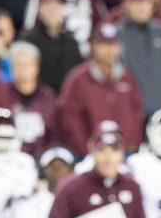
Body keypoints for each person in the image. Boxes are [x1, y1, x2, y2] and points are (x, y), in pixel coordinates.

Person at [57, 21, 146, 154]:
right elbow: (70, 118)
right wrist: (84, 149)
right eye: (103, 45)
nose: (109, 50)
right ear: (93, 46)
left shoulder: (127, 77)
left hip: (125, 151)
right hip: (91, 154)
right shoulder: (78, 79)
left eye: (113, 44)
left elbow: (137, 112)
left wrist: (133, 142)